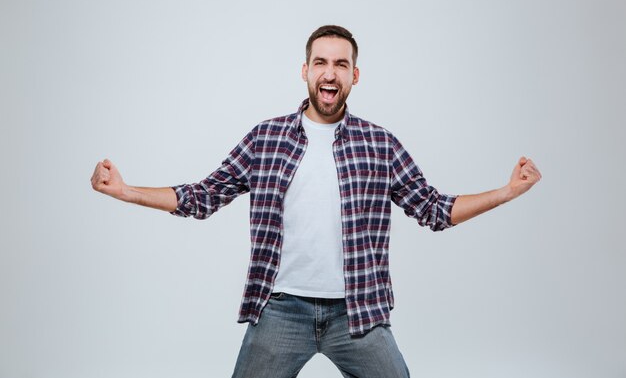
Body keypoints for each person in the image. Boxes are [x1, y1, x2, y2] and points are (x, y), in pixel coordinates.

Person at [91, 25, 542, 378]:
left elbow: (434, 209)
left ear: (354, 75)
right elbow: (204, 195)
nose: (330, 73)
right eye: (321, 62)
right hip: (281, 309)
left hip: (358, 312)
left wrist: (507, 191)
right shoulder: (266, 138)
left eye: (341, 64)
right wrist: (125, 190)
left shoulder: (379, 144)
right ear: (305, 70)